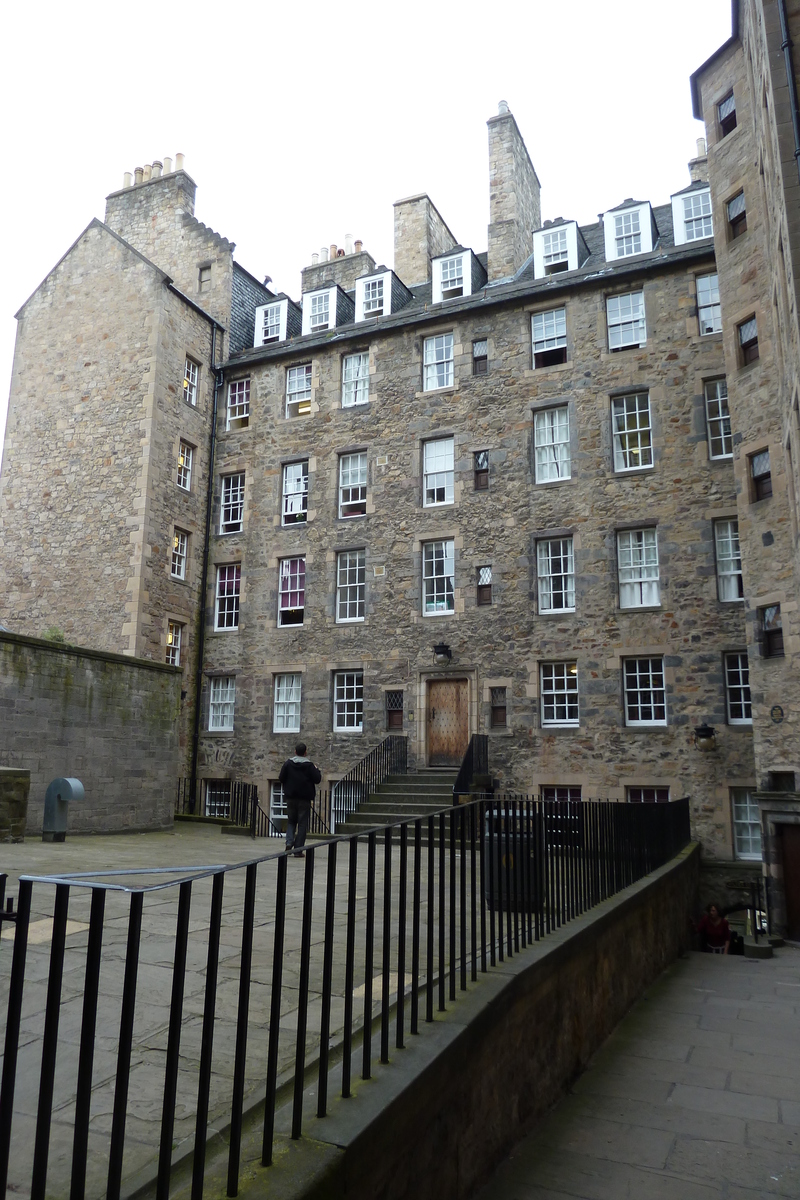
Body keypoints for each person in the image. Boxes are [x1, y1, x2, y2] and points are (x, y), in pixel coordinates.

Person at [278, 743, 321, 857]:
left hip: (291, 797)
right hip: (304, 799)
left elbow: (281, 778)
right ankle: (298, 850)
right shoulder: (310, 765)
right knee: (302, 824)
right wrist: (317, 770)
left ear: (295, 752)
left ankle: (289, 842)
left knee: (291, 821)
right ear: (305, 752)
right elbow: (317, 779)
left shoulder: (288, 764)